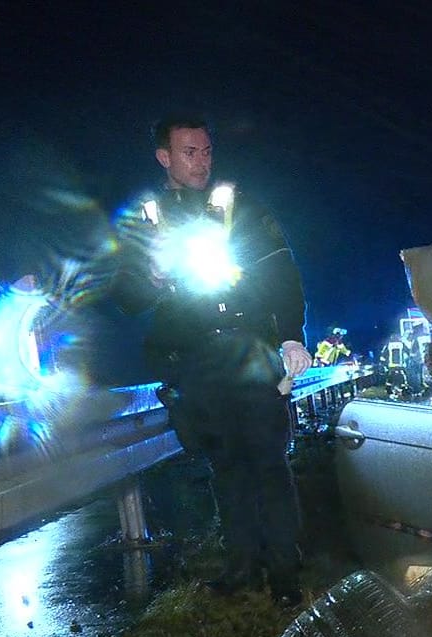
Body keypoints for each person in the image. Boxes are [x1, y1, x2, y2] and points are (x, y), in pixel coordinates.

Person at [112, 115, 313, 606]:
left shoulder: (239, 206)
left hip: (250, 348)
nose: (201, 161)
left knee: (268, 462)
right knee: (225, 466)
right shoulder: (146, 219)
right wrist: (153, 278)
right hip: (196, 358)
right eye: (189, 152)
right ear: (164, 157)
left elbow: (281, 274)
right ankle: (242, 566)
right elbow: (125, 296)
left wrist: (291, 336)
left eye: (206, 151)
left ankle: (286, 574)